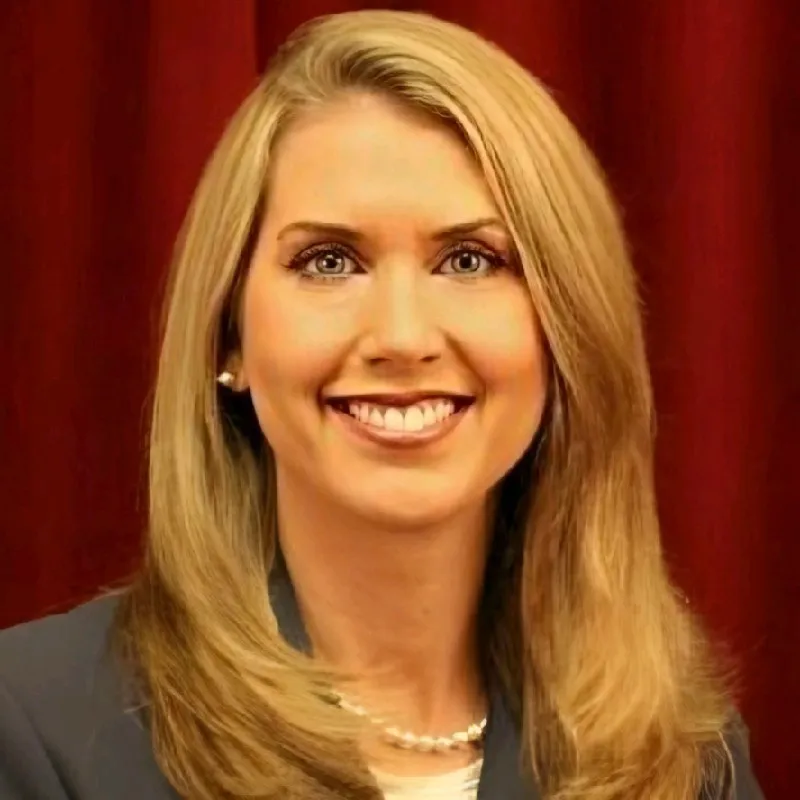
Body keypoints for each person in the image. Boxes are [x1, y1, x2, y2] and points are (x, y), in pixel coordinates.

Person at [0, 10, 764, 800]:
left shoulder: (681, 751)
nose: (402, 337)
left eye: (469, 260)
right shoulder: (30, 731)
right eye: (330, 262)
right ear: (229, 337)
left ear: (566, 328)